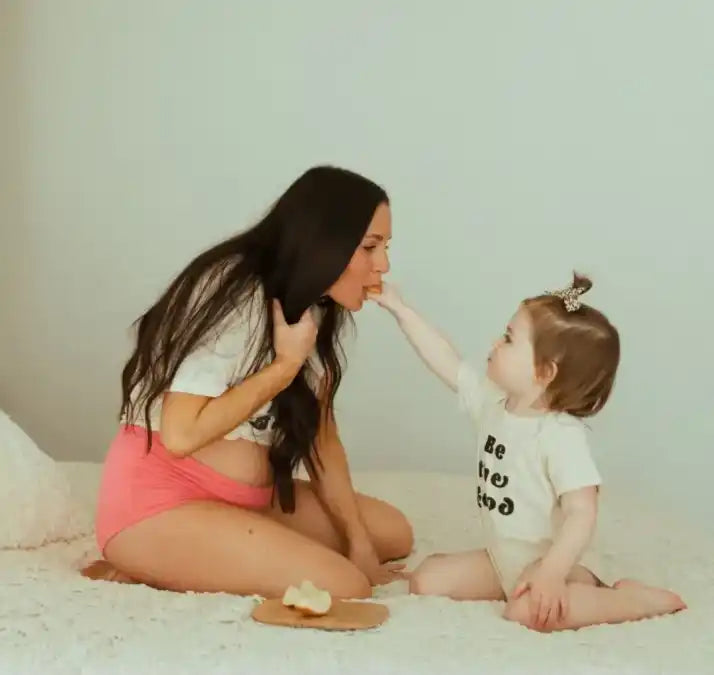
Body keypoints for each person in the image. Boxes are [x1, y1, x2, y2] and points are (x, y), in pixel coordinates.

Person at [82, 166, 413, 599]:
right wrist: (284, 367)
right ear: (323, 241)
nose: (383, 265)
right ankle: (146, 554)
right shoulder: (233, 293)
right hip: (161, 502)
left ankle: (233, 544)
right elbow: (181, 436)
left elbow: (322, 440)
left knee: (393, 533)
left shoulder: (313, 305)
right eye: (371, 247)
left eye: (385, 247)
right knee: (344, 586)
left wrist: (359, 543)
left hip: (245, 499)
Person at [368, 273, 686, 632]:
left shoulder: (560, 436)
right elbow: (448, 363)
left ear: (543, 372)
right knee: (426, 579)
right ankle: (523, 588)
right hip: (503, 560)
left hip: (554, 565)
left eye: (508, 338)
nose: (494, 342)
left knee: (525, 613)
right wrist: (400, 309)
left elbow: (582, 513)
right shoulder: (494, 404)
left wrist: (551, 573)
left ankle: (632, 600)